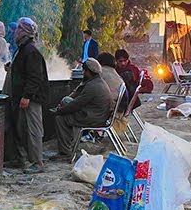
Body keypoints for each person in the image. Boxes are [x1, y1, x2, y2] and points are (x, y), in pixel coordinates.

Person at [54, 58, 114, 160]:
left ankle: (65, 152)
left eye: (84, 71)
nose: (83, 73)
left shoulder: (93, 86)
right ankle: (69, 147)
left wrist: (59, 111)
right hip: (96, 115)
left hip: (93, 118)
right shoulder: (96, 82)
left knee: (60, 119)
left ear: (88, 72)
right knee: (66, 104)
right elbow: (75, 95)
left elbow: (76, 104)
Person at [8, 17, 47, 173]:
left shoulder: (30, 51)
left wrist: (27, 96)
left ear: (24, 32)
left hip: (31, 99)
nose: (15, 32)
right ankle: (22, 159)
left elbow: (35, 77)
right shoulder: (23, 49)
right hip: (23, 97)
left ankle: (37, 162)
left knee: (33, 130)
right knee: (22, 129)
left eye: (18, 29)